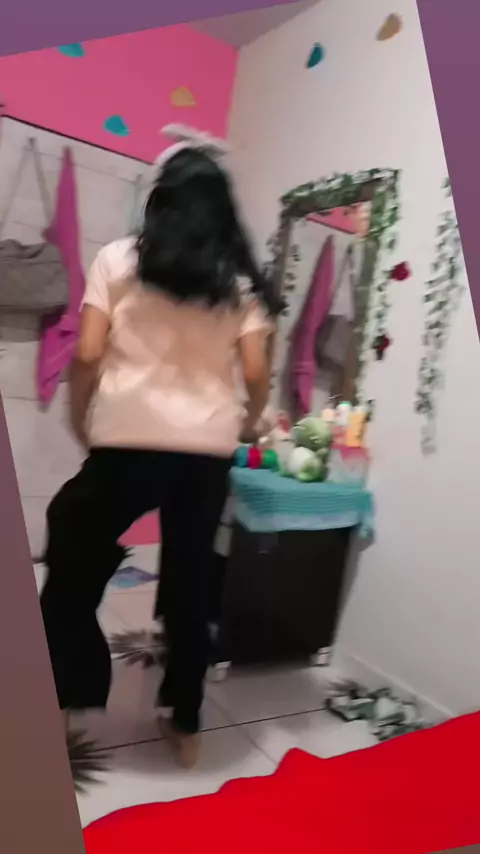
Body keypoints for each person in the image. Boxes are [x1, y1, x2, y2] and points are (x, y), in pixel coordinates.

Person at [40, 126, 282, 768]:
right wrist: (247, 424)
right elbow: (256, 372)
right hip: (205, 451)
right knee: (190, 579)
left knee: (71, 549)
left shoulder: (119, 259)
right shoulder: (238, 280)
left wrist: (81, 419)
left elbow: (87, 354)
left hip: (127, 441)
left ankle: (63, 695)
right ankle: (187, 721)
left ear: (159, 199)